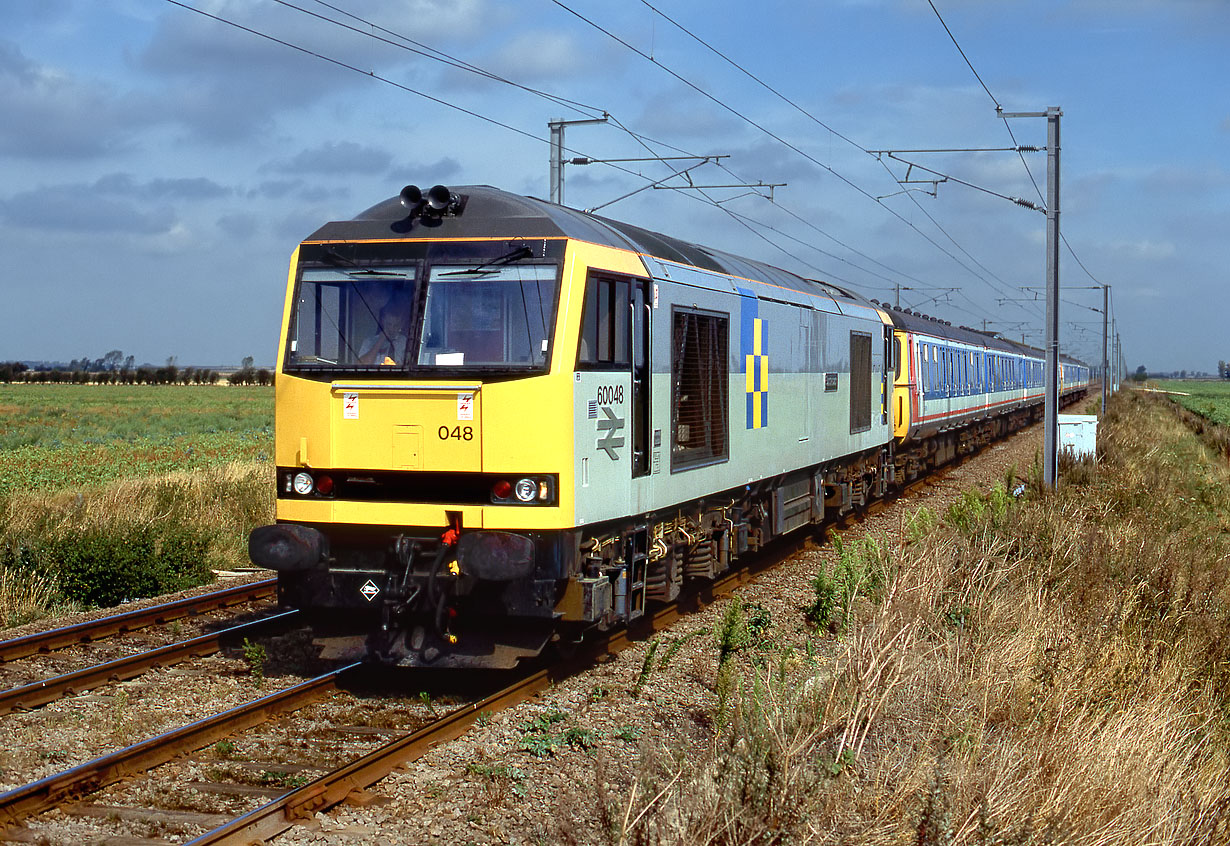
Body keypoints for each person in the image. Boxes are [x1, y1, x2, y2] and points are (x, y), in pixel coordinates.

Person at [357, 295, 411, 365]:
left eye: (395, 325)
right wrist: (380, 341)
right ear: (383, 322)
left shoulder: (405, 343)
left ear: (401, 324)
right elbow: (362, 365)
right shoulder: (369, 342)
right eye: (389, 324)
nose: (391, 328)